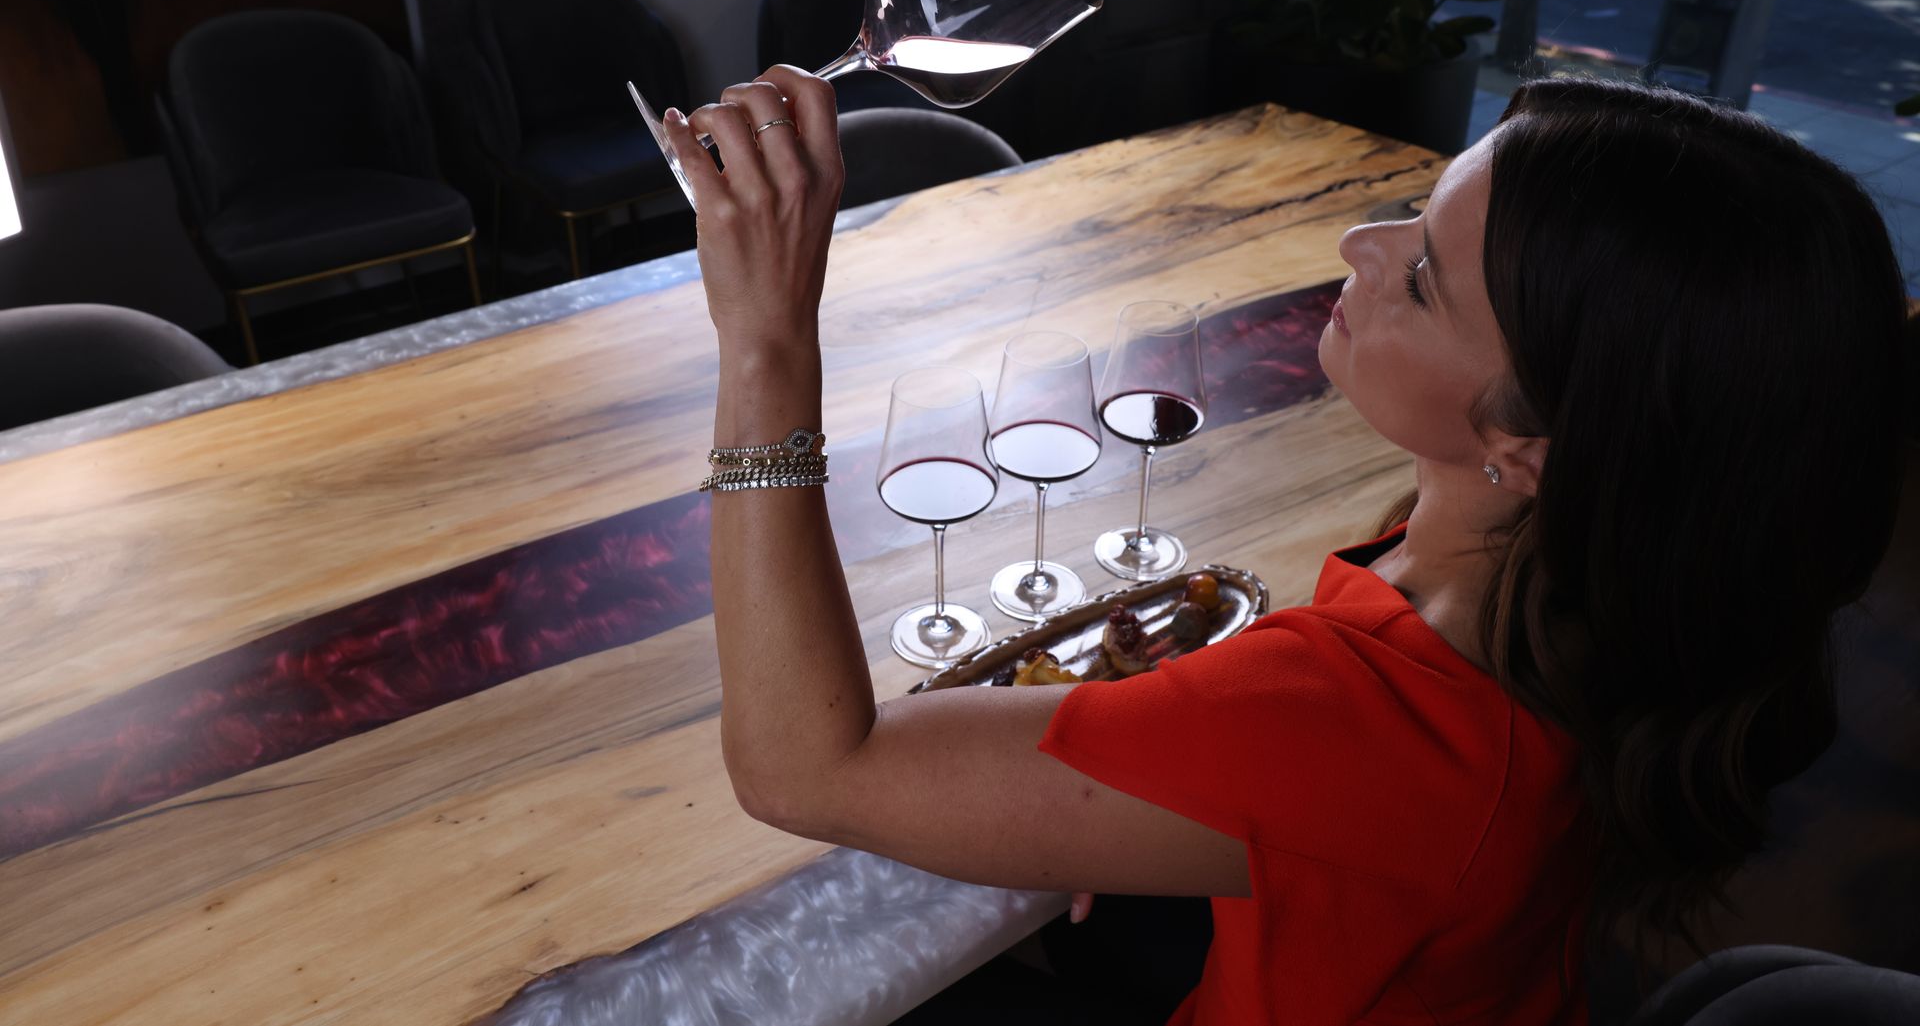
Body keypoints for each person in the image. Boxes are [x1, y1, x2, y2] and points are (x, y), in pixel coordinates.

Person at [660, 71, 1909, 1024]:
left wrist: (765, 342)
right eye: (1414, 215)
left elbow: (802, 769)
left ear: (1531, 447)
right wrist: (1164, 762)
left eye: (1421, 276)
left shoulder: (1365, 723)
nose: (1361, 248)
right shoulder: (1608, 573)